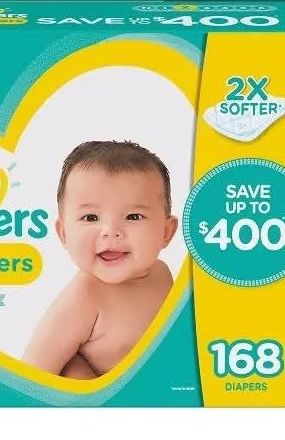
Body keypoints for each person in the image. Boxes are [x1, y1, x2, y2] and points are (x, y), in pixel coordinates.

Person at [23, 140, 178, 379]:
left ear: (166, 232)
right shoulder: (84, 295)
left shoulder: (162, 274)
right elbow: (31, 374)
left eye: (133, 216)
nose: (111, 231)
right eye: (91, 217)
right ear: (64, 233)